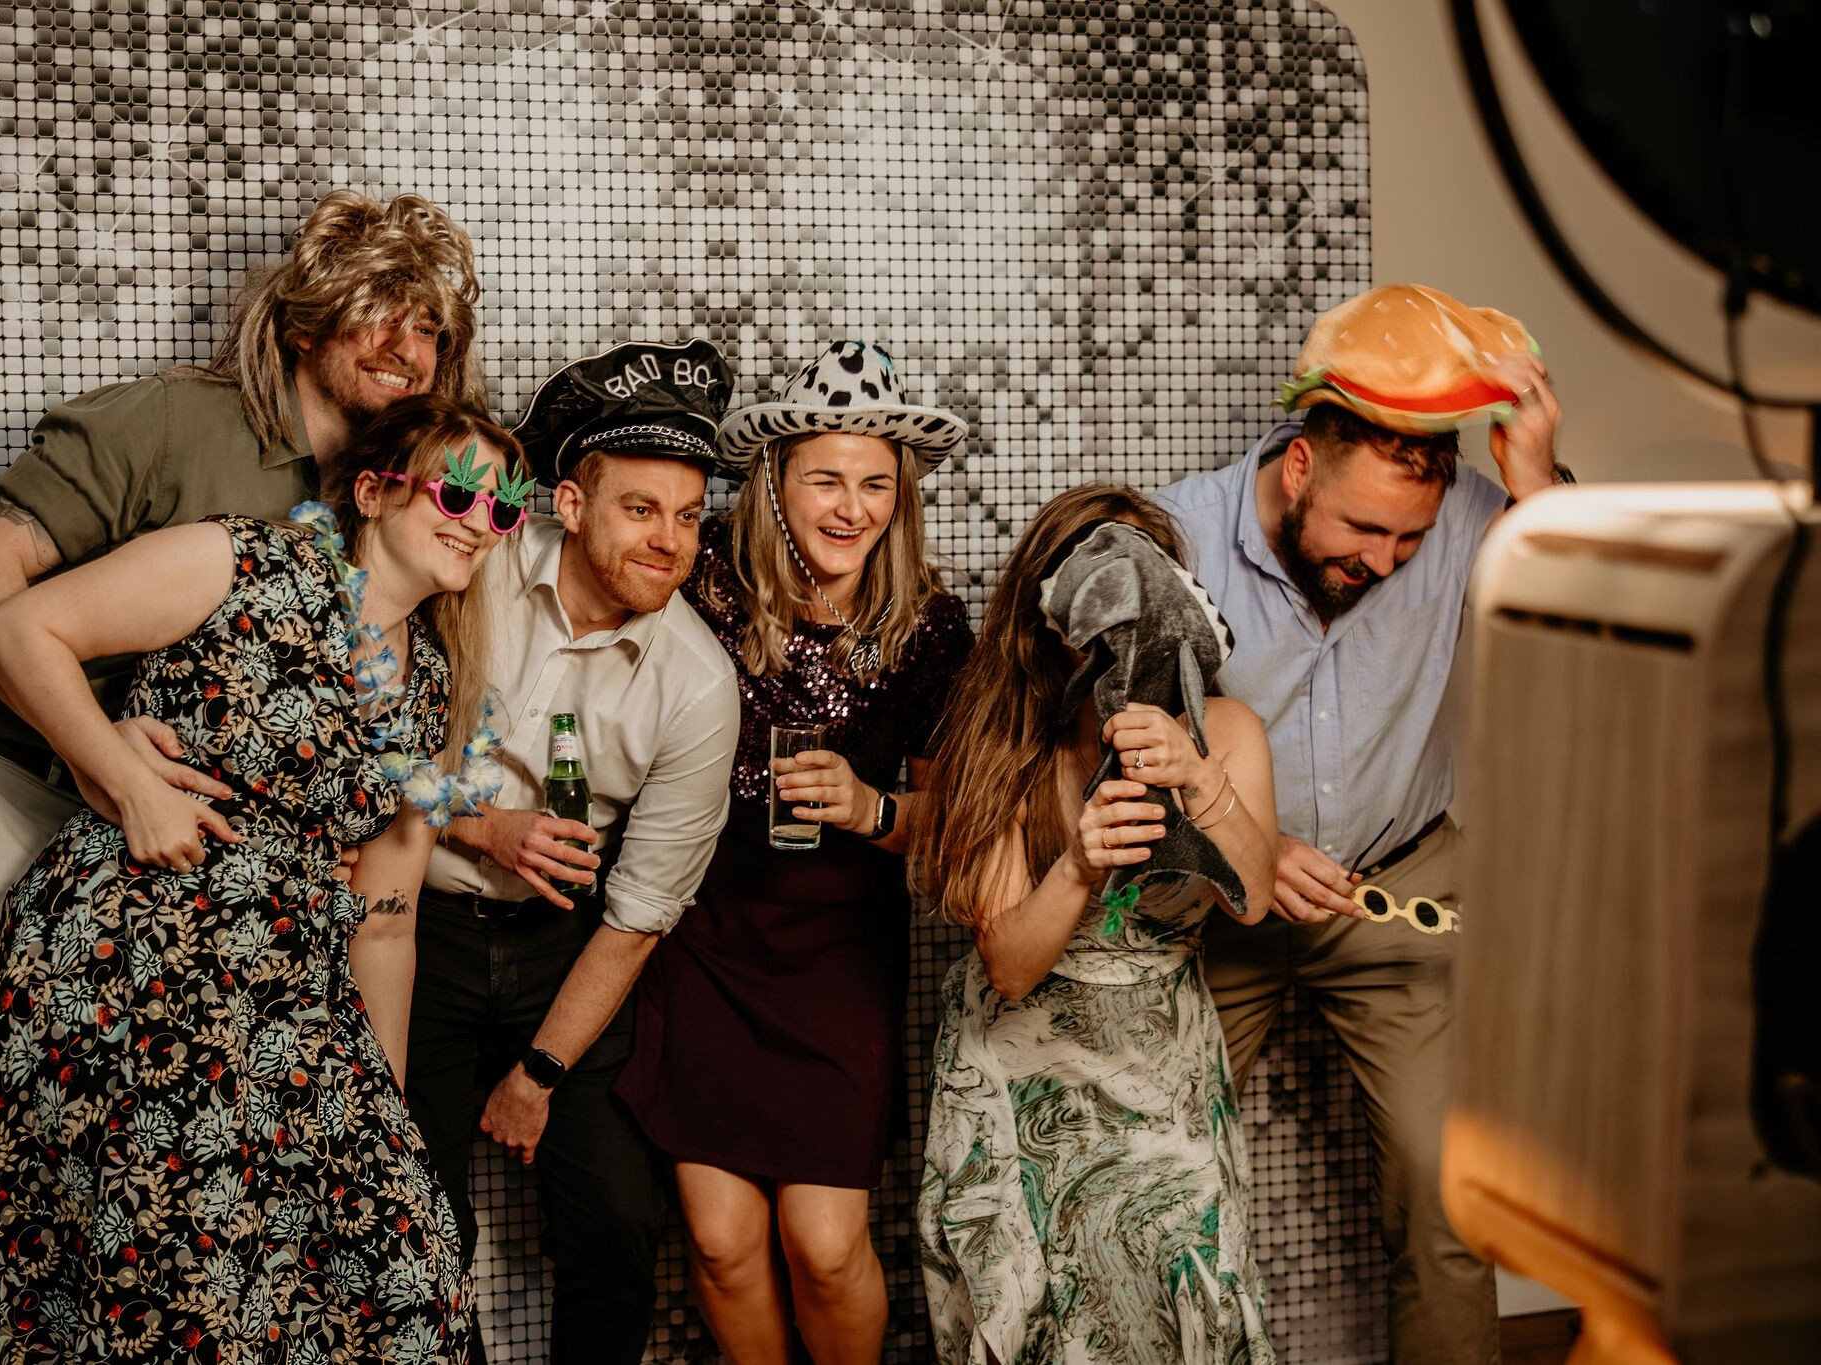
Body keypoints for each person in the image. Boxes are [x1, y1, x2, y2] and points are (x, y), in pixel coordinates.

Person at [0, 189, 485, 1365]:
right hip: (15, 798)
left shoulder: (388, 508)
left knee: (122, 1226)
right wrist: (107, 761)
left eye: (432, 332)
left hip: (172, 898)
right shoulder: (167, 423)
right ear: (307, 318)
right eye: (381, 313)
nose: (407, 349)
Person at [0, 395, 526, 1363]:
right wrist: (124, 782)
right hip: (138, 952)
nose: (479, 520)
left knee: (401, 1268)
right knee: (174, 1278)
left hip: (285, 995)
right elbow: (22, 628)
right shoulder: (245, 560)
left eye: (505, 508)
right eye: (456, 492)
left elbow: (387, 918)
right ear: (373, 492)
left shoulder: (437, 682)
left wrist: (382, 1115)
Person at [1149, 283, 1569, 1365]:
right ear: (1299, 466)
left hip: (1399, 887)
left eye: (1409, 538)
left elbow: (1591, 623)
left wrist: (1534, 479)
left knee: (1450, 1197)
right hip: (1213, 901)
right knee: (1153, 1185)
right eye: (1365, 529)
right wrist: (1249, 841)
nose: (1384, 560)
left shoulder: (1470, 515)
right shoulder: (1174, 534)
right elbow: (1104, 743)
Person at [612, 342, 975, 1364]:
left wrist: (869, 807)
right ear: (775, 483)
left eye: (875, 484)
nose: (852, 508)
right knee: (722, 1245)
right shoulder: (706, 589)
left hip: (836, 956)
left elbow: (953, 829)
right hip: (704, 940)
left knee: (823, 1245)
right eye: (826, 480)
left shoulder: (928, 627)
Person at [403, 339, 744, 1364]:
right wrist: (481, 826)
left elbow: (640, 914)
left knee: (618, 1221)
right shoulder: (475, 565)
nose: (668, 540)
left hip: (567, 946)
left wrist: (540, 1074)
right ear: (570, 504)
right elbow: (362, 730)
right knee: (415, 1219)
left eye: (687, 517)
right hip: (419, 925)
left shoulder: (698, 685)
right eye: (641, 509)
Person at [914, 483, 1280, 1363]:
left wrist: (1200, 779)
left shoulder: (1226, 729)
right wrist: (1079, 862)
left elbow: (1255, 895)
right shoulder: (1004, 743)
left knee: (1189, 1309)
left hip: (1166, 1078)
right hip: (1024, 1087)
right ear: (1053, 620)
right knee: (1039, 1326)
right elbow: (1009, 966)